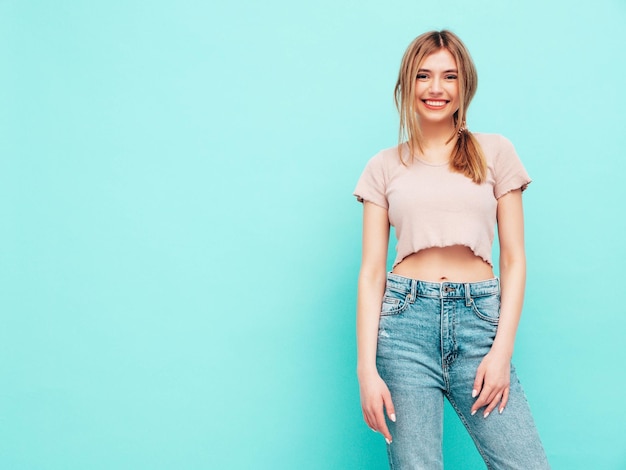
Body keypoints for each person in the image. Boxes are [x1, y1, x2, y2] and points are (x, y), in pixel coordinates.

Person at [353, 30, 549, 469]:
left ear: (465, 86)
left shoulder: (495, 152)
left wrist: (501, 351)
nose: (436, 88)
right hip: (404, 330)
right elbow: (371, 274)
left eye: (449, 77)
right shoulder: (383, 166)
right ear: (407, 84)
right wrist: (366, 370)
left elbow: (514, 260)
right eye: (423, 76)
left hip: (479, 323)